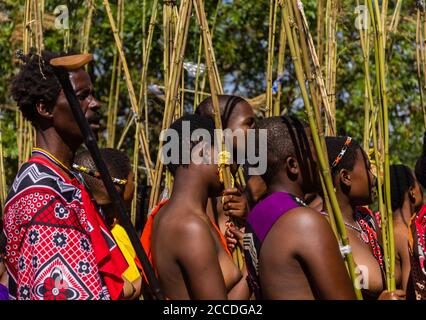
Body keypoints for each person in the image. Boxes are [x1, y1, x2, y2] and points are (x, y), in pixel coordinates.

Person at [3, 49, 128, 300]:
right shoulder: (42, 195)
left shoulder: (64, 180)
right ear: (45, 108)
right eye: (82, 96)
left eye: (91, 94)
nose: (94, 103)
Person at [243, 116, 356, 300]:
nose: (323, 160)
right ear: (293, 165)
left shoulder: (257, 215)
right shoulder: (304, 221)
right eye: (315, 152)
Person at [141, 114, 250, 299]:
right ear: (204, 151)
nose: (230, 164)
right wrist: (254, 267)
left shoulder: (174, 214)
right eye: (223, 153)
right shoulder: (189, 226)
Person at [324, 136, 405, 300]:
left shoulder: (367, 220)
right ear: (345, 177)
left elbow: (394, 271)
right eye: (368, 168)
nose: (374, 177)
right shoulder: (323, 229)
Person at [74, 148, 142, 300]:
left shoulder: (86, 224)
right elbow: (125, 291)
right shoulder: (108, 234)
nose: (135, 186)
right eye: (133, 179)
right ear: (120, 186)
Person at [195, 95, 257, 235]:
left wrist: (245, 218)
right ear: (221, 131)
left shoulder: (236, 187)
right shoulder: (204, 190)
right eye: (249, 123)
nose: (257, 129)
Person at [389, 164, 423, 293]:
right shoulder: (405, 234)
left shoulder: (386, 229)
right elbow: (410, 291)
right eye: (418, 183)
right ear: (412, 191)